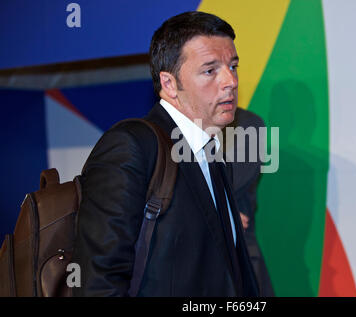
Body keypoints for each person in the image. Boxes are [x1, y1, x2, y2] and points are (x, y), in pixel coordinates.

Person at [72, 11, 259, 297]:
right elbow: (98, 281)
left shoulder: (214, 153)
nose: (230, 81)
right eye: (210, 70)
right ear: (169, 84)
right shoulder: (131, 145)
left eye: (232, 66)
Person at [225, 107, 275, 296]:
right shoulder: (179, 126)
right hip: (190, 251)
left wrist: (218, 211)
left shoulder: (247, 124)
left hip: (238, 248)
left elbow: (231, 183)